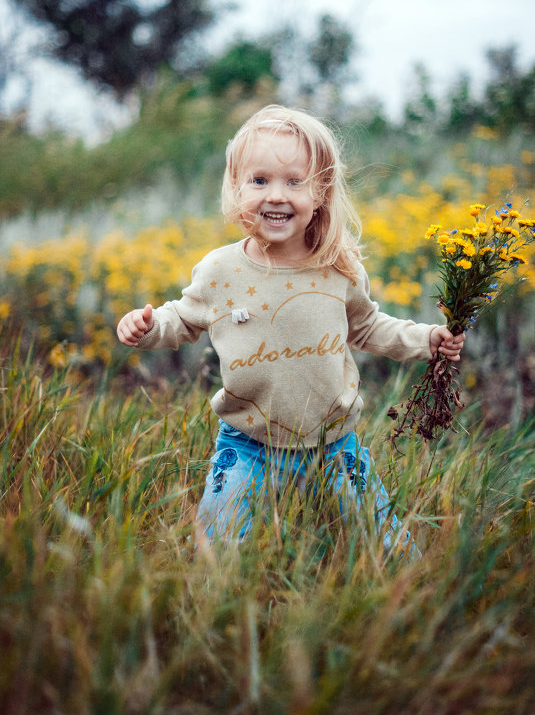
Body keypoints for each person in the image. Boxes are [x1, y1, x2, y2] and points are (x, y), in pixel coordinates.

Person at [117, 105, 465, 549]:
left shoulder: (338, 269)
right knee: (216, 551)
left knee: (386, 545)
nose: (276, 195)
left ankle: (408, 593)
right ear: (237, 188)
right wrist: (147, 327)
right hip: (247, 442)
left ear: (320, 192)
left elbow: (368, 327)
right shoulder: (220, 270)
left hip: (335, 443)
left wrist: (426, 339)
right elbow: (182, 319)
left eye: (294, 181)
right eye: (259, 180)